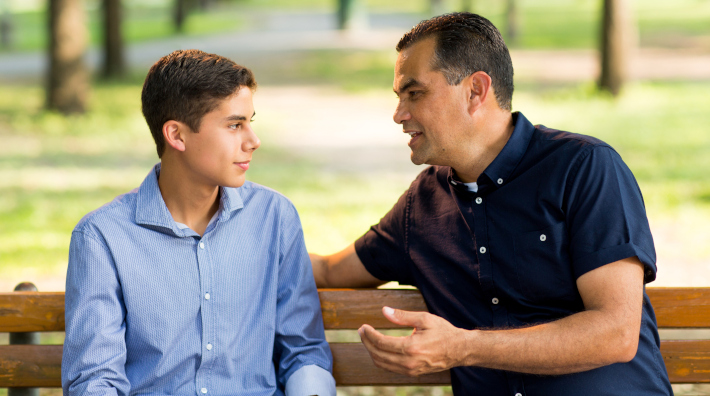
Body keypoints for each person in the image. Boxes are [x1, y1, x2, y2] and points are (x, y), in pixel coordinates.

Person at [309, 13, 672, 395]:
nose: (399, 114)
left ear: (475, 91)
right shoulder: (423, 205)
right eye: (399, 97)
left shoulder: (584, 167)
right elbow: (331, 271)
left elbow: (615, 333)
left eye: (414, 93)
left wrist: (461, 347)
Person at [62, 49, 335, 396]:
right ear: (176, 135)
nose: (253, 141)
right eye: (235, 125)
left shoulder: (274, 217)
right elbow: (95, 379)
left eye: (251, 122)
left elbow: (303, 352)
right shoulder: (102, 238)